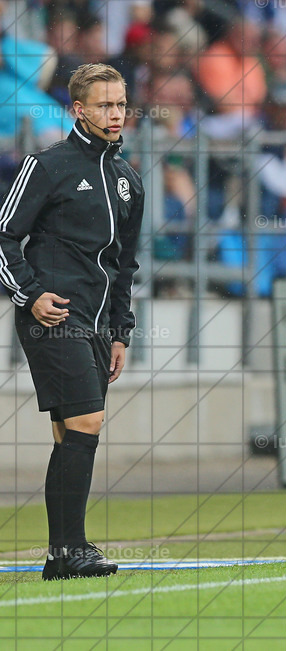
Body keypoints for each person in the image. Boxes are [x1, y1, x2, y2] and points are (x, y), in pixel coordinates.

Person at [0, 63, 144, 580]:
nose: (115, 114)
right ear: (79, 110)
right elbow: (3, 236)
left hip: (97, 325)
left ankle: (62, 556)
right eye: (104, 105)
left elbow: (125, 265)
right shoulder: (47, 164)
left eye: (121, 104)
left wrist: (121, 332)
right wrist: (31, 294)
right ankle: (71, 550)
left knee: (70, 433)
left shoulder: (128, 180)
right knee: (86, 421)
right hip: (51, 316)